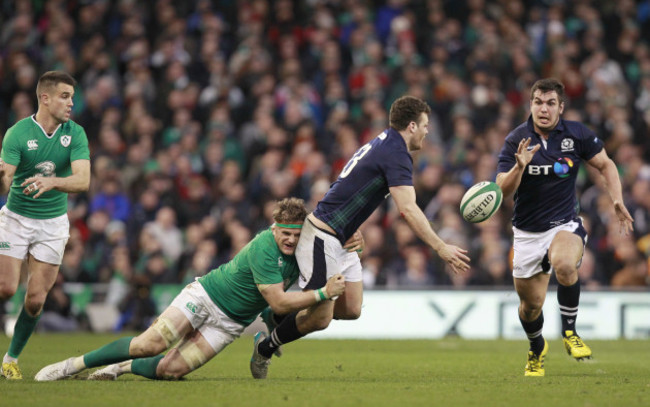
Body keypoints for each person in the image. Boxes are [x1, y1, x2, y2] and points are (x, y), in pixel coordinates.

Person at [250, 95, 471, 379]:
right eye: (426, 125)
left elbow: (346, 183)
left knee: (352, 308)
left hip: (342, 238)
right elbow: (407, 208)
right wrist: (441, 247)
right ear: (412, 125)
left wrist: (352, 223)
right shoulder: (397, 153)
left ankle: (279, 318)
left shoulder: (384, 142)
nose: (428, 131)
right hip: (321, 237)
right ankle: (265, 347)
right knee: (321, 319)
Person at [34, 197, 349, 381]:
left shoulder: (304, 249)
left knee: (171, 372)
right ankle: (71, 366)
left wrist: (352, 246)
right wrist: (324, 293)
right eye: (285, 233)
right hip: (206, 297)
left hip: (229, 325)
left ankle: (121, 367)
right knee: (150, 344)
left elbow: (329, 238)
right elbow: (279, 302)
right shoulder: (265, 248)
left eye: (296, 235)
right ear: (273, 228)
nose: (291, 240)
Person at [495, 78, 634, 377]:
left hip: (564, 223)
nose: (543, 109)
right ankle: (536, 348)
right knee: (529, 308)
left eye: (550, 103)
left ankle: (570, 332)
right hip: (527, 233)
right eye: (537, 102)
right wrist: (519, 166)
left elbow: (607, 165)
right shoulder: (516, 140)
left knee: (565, 264)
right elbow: (500, 192)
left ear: (561, 107)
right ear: (530, 104)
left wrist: (617, 200)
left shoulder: (577, 134)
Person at [0, 71, 91, 380]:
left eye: (72, 97)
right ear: (45, 98)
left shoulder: (75, 133)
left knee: (36, 299)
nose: (71, 103)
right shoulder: (17, 133)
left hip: (52, 223)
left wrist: (51, 182)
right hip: (16, 218)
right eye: (65, 96)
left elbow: (83, 180)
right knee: (6, 288)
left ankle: (10, 359)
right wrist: (1, 177)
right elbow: (5, 184)